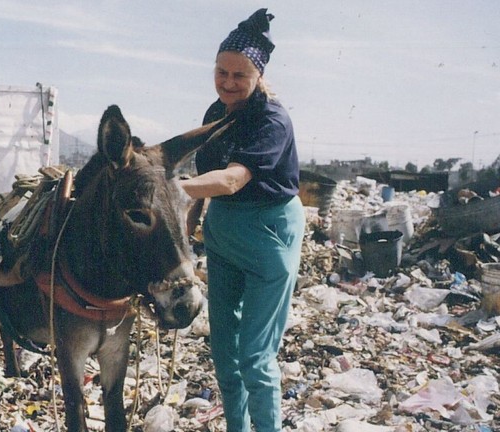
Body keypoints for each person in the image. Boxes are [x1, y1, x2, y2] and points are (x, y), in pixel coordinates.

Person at [180, 9, 305, 432]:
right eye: (222, 72)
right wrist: (187, 228)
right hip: (223, 237)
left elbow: (232, 179)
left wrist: (173, 189)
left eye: (240, 75)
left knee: (255, 355)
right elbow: (205, 179)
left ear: (258, 76)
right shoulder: (216, 112)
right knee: (223, 352)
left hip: (267, 238)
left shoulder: (272, 119)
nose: (229, 82)